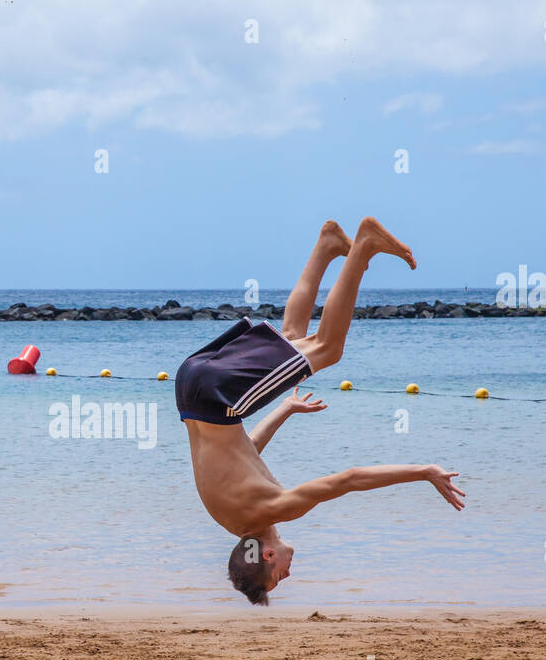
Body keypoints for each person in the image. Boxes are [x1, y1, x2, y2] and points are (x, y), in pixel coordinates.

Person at [174, 217, 466, 605]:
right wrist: (285, 410)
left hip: (216, 398)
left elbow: (347, 479)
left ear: (267, 555)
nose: (288, 575)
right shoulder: (234, 517)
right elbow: (243, 450)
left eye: (278, 578)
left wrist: (424, 472)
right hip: (191, 387)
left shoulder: (276, 509)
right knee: (294, 339)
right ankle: (328, 245)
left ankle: (363, 245)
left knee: (328, 349)